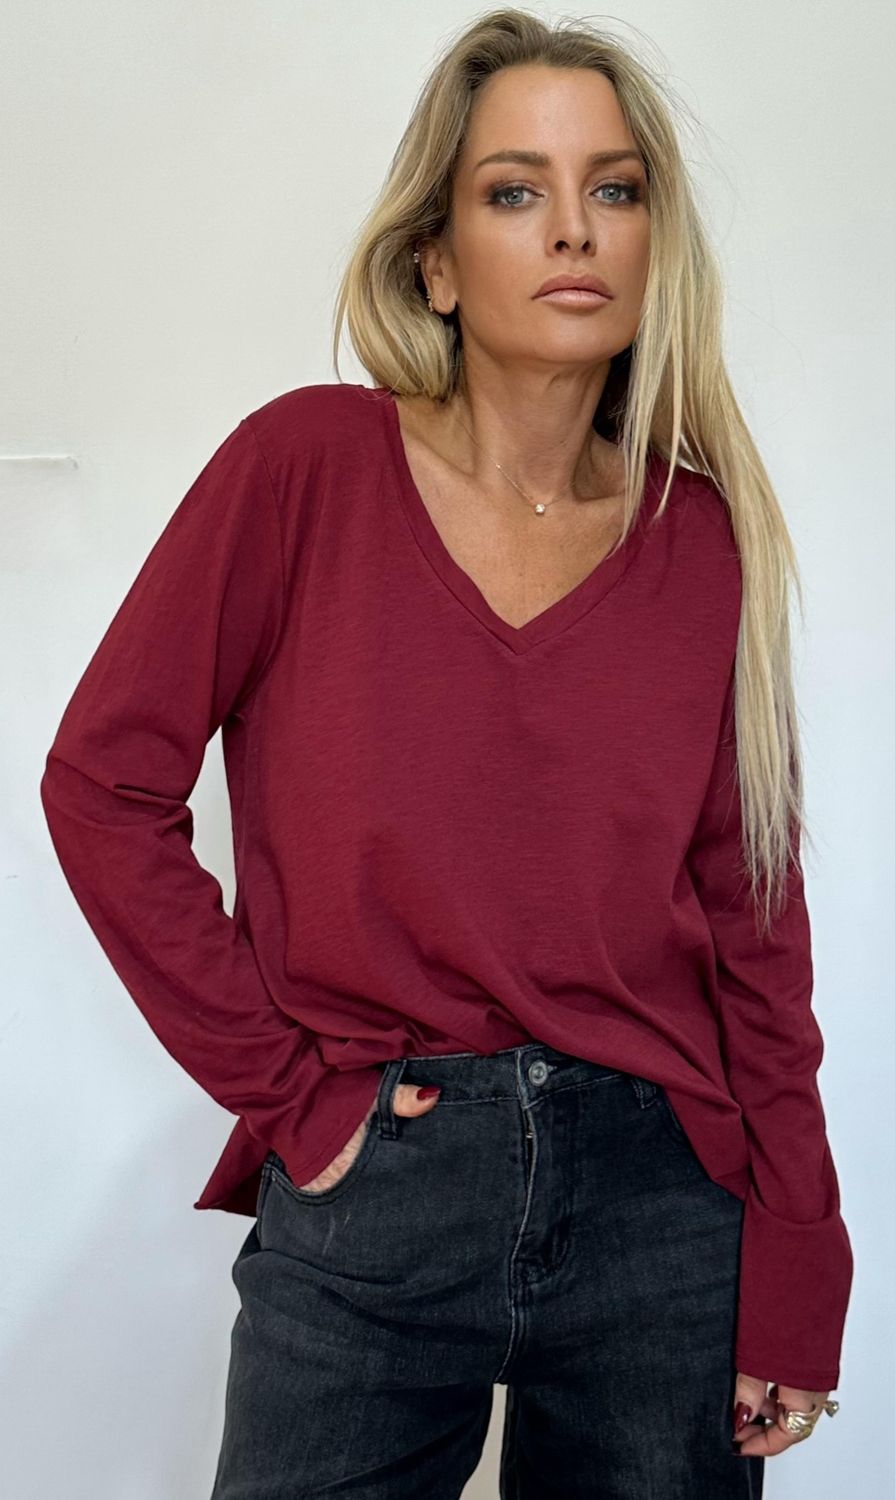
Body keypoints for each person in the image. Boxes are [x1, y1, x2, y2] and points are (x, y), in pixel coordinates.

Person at [39, 8, 852, 1496]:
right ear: (435, 261)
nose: (574, 229)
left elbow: (755, 926)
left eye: (615, 189)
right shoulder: (303, 468)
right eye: (515, 190)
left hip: (665, 1208)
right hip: (376, 1196)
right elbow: (103, 785)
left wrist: (803, 1245)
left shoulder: (702, 536)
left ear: (654, 244)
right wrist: (298, 1102)